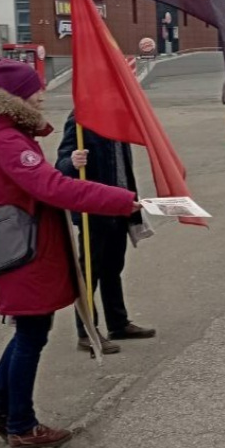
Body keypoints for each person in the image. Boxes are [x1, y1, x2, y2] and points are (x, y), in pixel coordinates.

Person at [0, 59, 138, 448]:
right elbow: (54, 188)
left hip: (22, 244)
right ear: (14, 97)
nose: (42, 94)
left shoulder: (4, 131)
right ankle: (22, 426)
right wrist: (124, 200)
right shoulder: (7, 140)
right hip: (25, 249)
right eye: (36, 89)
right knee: (31, 334)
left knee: (29, 331)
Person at [56, 112, 157, 354]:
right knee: (89, 271)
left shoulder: (117, 118)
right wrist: (72, 161)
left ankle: (118, 323)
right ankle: (87, 331)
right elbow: (61, 164)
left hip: (119, 206)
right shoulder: (81, 118)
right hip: (95, 208)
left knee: (113, 268)